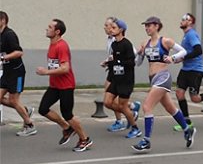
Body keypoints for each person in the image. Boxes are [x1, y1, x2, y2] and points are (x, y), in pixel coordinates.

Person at [131, 16, 195, 153]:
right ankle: (187, 129)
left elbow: (183, 51)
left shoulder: (165, 41)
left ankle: (146, 141)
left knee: (147, 106)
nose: (147, 28)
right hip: (153, 79)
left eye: (149, 25)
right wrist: (140, 54)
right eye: (145, 26)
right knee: (170, 108)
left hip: (163, 76)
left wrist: (172, 58)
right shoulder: (145, 43)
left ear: (157, 26)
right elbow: (138, 63)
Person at [36, 19, 92, 152]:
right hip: (55, 85)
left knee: (68, 114)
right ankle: (67, 128)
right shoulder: (52, 44)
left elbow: (65, 68)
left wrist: (46, 72)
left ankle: (85, 139)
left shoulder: (61, 46)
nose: (46, 29)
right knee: (43, 109)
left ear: (57, 32)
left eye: (49, 27)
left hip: (66, 85)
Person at [100, 17, 141, 132]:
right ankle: (130, 112)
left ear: (121, 29)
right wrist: (108, 63)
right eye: (110, 27)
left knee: (122, 105)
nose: (110, 29)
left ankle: (134, 128)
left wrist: (117, 62)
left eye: (113, 27)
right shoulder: (114, 44)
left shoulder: (127, 44)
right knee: (107, 102)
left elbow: (131, 62)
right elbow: (115, 58)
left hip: (125, 80)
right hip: (115, 77)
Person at [0, 11, 37, 136]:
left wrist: (4, 58)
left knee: (14, 100)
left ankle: (30, 125)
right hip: (7, 72)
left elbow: (19, 52)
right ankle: (26, 110)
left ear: (3, 20)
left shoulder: (10, 35)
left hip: (17, 72)